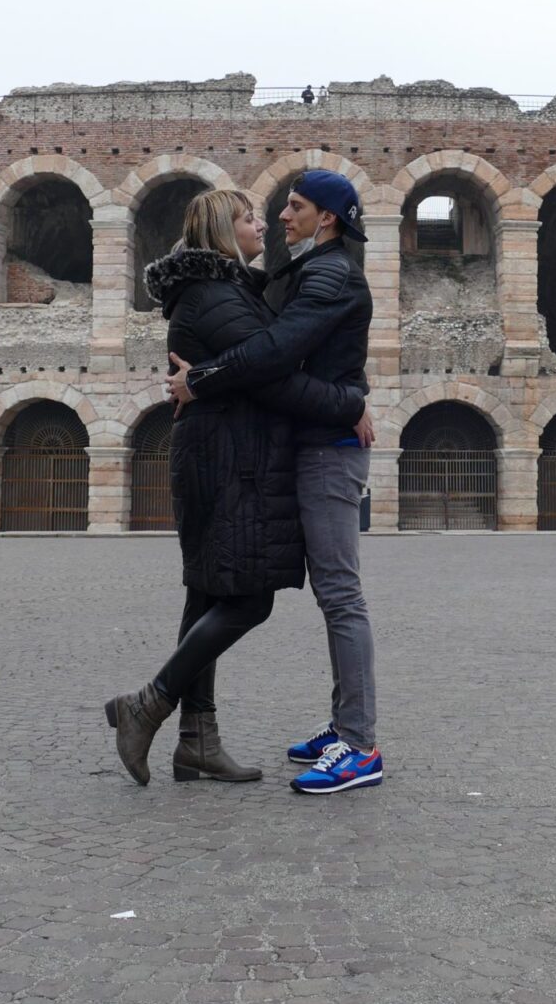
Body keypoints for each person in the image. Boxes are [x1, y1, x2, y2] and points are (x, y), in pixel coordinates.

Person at [104, 188, 370, 787]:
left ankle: (197, 743)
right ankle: (148, 703)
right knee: (248, 598)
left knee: (207, 595)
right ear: (226, 231)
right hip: (229, 460)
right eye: (251, 217)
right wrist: (346, 403)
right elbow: (270, 375)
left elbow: (264, 366)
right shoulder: (218, 294)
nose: (265, 223)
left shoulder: (227, 289)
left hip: (224, 452)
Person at [167, 169, 384, 795]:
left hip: (329, 446)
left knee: (341, 593)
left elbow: (272, 353)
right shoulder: (302, 270)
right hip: (307, 440)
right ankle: (344, 723)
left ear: (329, 218)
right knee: (331, 593)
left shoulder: (330, 274)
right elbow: (243, 303)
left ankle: (360, 744)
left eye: (295, 206)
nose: (281, 216)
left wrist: (200, 378)